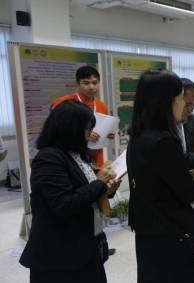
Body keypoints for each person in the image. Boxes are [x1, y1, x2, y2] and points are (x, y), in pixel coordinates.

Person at [19, 100, 121, 283]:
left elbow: (85, 186)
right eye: (86, 129)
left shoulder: (76, 153)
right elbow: (64, 204)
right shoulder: (49, 158)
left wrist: (108, 187)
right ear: (69, 129)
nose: (90, 134)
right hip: (59, 256)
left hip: (85, 245)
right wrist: (99, 184)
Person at [127, 70, 194, 283]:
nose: (184, 104)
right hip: (170, 233)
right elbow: (187, 192)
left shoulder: (139, 134)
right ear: (167, 101)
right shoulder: (164, 141)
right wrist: (187, 175)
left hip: (148, 229)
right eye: (181, 98)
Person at [51, 65, 115, 169]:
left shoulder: (102, 106)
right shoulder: (64, 103)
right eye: (86, 83)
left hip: (96, 159)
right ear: (77, 83)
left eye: (95, 83)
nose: (91, 87)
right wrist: (84, 136)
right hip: (71, 158)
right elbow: (54, 132)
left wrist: (107, 135)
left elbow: (102, 132)